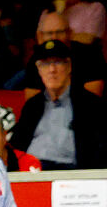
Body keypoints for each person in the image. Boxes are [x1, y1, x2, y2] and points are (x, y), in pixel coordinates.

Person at [12, 41, 106, 169]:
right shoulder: (32, 105)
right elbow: (17, 145)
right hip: (32, 173)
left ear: (69, 67)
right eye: (45, 64)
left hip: (71, 175)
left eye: (57, 62)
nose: (52, 70)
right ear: (39, 70)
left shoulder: (90, 104)